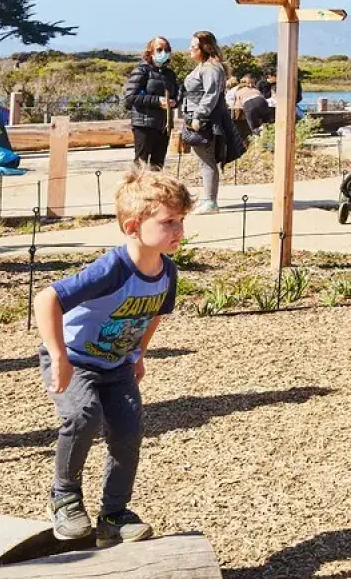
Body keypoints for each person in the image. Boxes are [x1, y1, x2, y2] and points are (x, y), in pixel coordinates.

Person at [31, 168, 189, 548]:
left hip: (117, 364)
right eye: (168, 222)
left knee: (127, 431)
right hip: (76, 359)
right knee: (83, 416)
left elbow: (154, 314)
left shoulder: (167, 271)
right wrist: (58, 356)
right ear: (134, 226)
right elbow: (47, 298)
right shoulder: (112, 268)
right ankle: (64, 498)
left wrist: (138, 355)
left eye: (181, 221)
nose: (178, 230)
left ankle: (114, 515)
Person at [178, 32, 227, 216]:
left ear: (204, 48)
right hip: (194, 116)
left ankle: (210, 201)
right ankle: (208, 198)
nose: (190, 49)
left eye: (193, 47)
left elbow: (211, 94)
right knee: (203, 159)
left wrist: (199, 115)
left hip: (203, 120)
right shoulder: (203, 67)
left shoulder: (211, 68)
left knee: (207, 159)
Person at [121, 38, 178, 171]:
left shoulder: (170, 74)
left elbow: (177, 94)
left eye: (166, 50)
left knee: (158, 165)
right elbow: (130, 97)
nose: (163, 53)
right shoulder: (141, 71)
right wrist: (157, 101)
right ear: (150, 52)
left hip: (163, 126)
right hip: (143, 125)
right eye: (159, 50)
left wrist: (174, 102)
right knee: (141, 165)